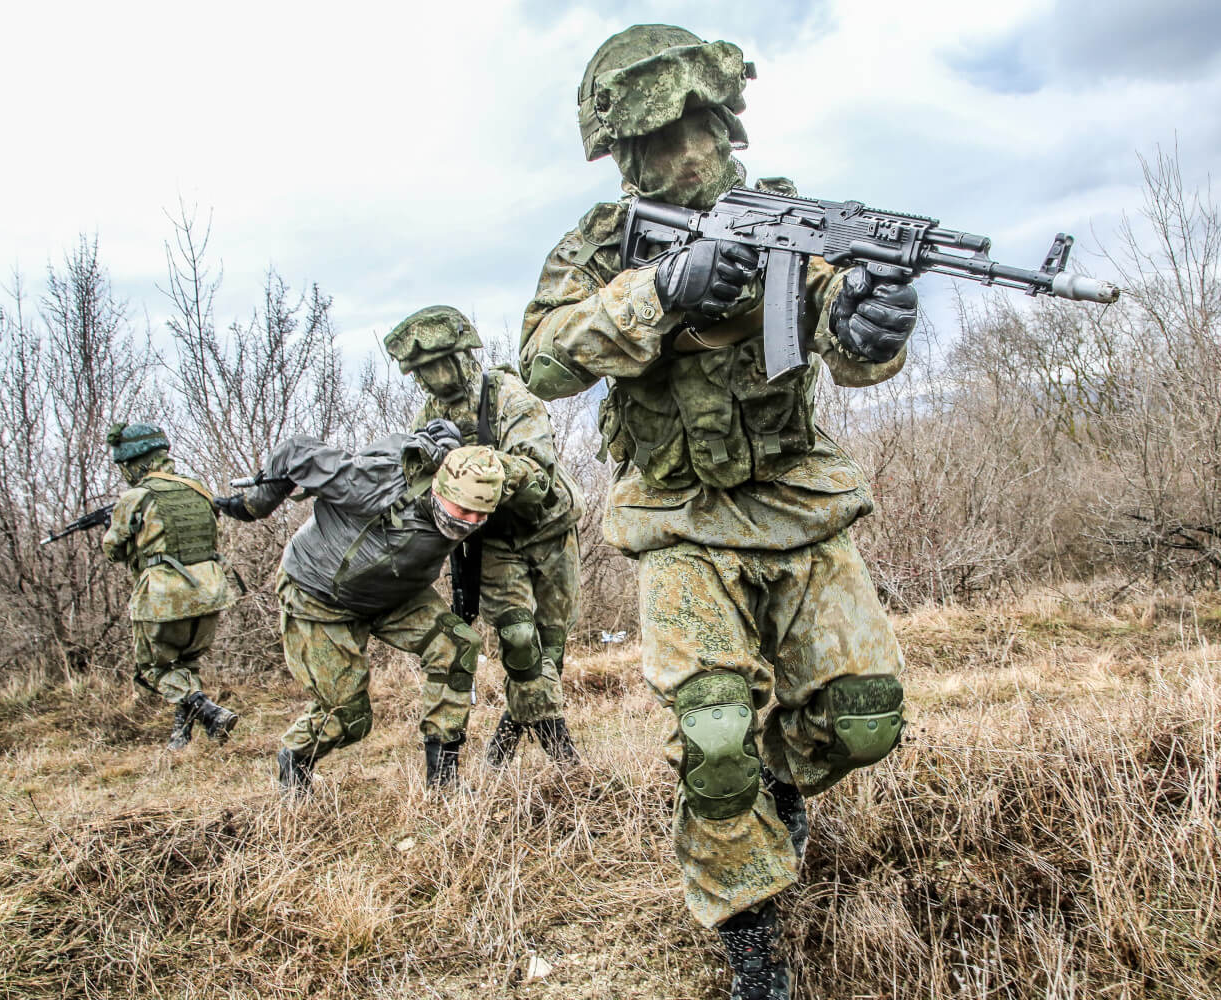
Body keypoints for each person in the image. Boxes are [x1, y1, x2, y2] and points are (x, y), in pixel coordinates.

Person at [518, 25, 919, 999]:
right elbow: (542, 358)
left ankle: (775, 781)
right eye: (658, 142)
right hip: (680, 521)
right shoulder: (606, 243)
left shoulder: (788, 220)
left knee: (865, 719)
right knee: (711, 740)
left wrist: (877, 328)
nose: (685, 155)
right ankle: (755, 948)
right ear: (624, 155)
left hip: (799, 505)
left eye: (697, 128)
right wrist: (661, 291)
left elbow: (848, 344)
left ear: (724, 119)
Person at [215, 422, 531, 792]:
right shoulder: (375, 483)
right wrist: (254, 505)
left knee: (457, 646)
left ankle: (443, 780)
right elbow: (295, 452)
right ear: (440, 487)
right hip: (319, 596)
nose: (469, 523)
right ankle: (295, 757)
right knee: (349, 718)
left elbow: (529, 474)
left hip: (396, 594)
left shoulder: (489, 484)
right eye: (462, 509)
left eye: (480, 516)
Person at [384, 305, 585, 766]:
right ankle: (567, 763)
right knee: (518, 638)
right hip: (492, 543)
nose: (430, 378)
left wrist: (472, 460)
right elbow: (418, 488)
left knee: (549, 650)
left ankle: (503, 747)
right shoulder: (427, 418)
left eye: (435, 364)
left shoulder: (509, 396)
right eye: (420, 371)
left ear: (458, 355)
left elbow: (538, 475)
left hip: (548, 531)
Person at [101, 422, 238, 750]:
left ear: (137, 463)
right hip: (209, 593)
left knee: (154, 668)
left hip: (165, 598)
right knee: (186, 663)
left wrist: (116, 525)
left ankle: (209, 712)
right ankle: (181, 737)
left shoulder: (137, 496)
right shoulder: (198, 488)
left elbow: (113, 550)